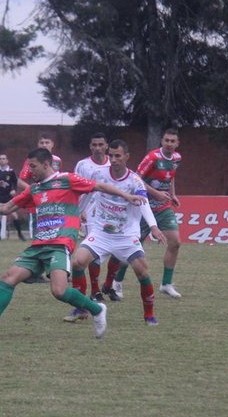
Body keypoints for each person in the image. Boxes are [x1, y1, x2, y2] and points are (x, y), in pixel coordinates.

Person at [0, 147, 145, 340]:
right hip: (39, 245)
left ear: (46, 164)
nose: (30, 171)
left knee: (59, 291)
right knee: (8, 278)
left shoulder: (67, 180)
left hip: (60, 243)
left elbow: (100, 186)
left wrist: (127, 196)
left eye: (33, 166)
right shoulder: (34, 189)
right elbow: (6, 208)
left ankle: (96, 309)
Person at [70, 139, 167, 325]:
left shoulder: (134, 180)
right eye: (111, 155)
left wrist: (153, 226)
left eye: (118, 156)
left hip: (126, 235)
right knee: (77, 262)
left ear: (127, 157)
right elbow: (86, 194)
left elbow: (143, 203)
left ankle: (149, 315)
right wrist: (75, 215)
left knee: (142, 272)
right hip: (100, 233)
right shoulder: (99, 174)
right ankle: (80, 308)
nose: (113, 159)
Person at [111, 128, 183, 299]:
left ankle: (166, 284)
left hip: (163, 207)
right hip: (144, 207)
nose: (169, 144)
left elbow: (171, 176)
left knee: (175, 242)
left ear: (177, 143)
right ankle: (117, 282)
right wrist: (156, 193)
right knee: (133, 248)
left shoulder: (177, 159)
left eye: (173, 141)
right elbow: (137, 178)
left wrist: (172, 194)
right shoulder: (152, 158)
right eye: (166, 140)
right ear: (161, 141)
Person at [63, 132, 112, 322]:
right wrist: (78, 209)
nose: (98, 148)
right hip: (83, 213)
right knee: (82, 258)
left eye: (101, 144)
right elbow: (75, 188)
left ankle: (98, 291)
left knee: (93, 257)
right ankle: (90, 296)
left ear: (106, 146)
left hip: (103, 216)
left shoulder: (112, 164)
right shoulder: (83, 165)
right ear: (90, 146)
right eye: (94, 144)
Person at [17, 133, 63, 283]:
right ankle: (33, 271)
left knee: (55, 236)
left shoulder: (57, 161)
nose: (44, 144)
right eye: (41, 142)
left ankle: (56, 270)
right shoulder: (31, 161)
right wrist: (36, 191)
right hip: (40, 205)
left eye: (47, 142)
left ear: (52, 144)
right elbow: (20, 181)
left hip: (55, 206)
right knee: (39, 237)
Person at [0, 154, 26, 241]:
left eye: (3, 159)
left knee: (14, 214)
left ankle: (20, 234)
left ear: (7, 161)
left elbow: (15, 182)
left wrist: (14, 190)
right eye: (0, 159)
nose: (2, 160)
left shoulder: (11, 171)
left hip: (8, 196)